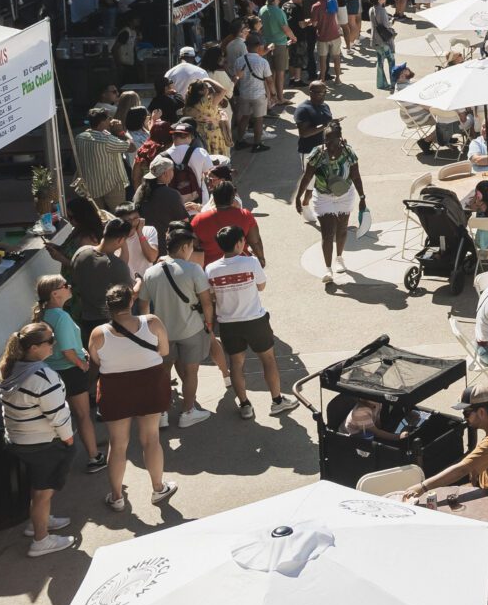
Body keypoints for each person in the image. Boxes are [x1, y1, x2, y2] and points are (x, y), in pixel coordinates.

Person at [87, 286, 175, 511]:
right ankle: (158, 488)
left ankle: (117, 497)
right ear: (131, 301)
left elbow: (95, 361)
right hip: (150, 384)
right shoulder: (152, 322)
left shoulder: (98, 333)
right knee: (151, 438)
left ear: (108, 306)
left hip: (115, 388)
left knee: (117, 444)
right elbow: (164, 351)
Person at [0, 323, 76, 557]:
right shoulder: (44, 376)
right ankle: (41, 540)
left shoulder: (7, 368)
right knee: (44, 491)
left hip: (18, 440)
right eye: (50, 340)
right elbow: (58, 415)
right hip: (44, 444)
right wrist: (69, 440)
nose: (54, 344)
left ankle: (38, 523)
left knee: (38, 486)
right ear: (33, 348)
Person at [205, 226, 299, 419]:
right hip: (255, 320)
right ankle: (277, 401)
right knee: (268, 360)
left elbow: (212, 295)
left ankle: (245, 405)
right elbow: (261, 286)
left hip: (228, 324)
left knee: (236, 364)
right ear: (239, 243)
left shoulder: (211, 269)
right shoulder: (251, 262)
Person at [397, 389, 488, 504]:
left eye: (466, 413)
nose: (464, 418)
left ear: (481, 412)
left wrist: (422, 487)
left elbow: (462, 470)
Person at [140, 226, 218, 428]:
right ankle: (188, 412)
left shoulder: (150, 272)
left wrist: (148, 332)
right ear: (185, 247)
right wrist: (209, 324)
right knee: (191, 372)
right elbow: (207, 302)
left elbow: (144, 306)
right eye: (191, 247)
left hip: (162, 333)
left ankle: (163, 413)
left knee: (164, 373)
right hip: (191, 329)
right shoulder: (193, 270)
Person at [32, 272, 102, 473]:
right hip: (69, 371)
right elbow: (67, 351)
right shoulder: (61, 316)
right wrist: (82, 364)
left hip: (50, 371)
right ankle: (94, 457)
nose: (69, 287)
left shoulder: (43, 314)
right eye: (65, 285)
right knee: (82, 415)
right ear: (55, 294)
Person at [294, 124, 367, 289]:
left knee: (342, 230)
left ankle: (339, 258)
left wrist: (362, 197)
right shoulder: (318, 153)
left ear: (339, 138)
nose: (329, 145)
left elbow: (356, 175)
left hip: (345, 195)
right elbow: (307, 176)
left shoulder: (348, 152)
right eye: (326, 140)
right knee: (327, 234)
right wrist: (298, 197)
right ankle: (328, 270)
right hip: (324, 197)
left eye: (332, 141)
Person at [68, 218, 134, 334]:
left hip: (85, 317)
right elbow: (129, 296)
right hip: (110, 324)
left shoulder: (81, 252)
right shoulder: (118, 266)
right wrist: (138, 282)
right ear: (120, 240)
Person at [294, 79, 335, 156]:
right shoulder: (303, 109)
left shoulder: (325, 106)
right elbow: (304, 133)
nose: (324, 95)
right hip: (309, 151)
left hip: (325, 149)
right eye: (320, 93)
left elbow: (329, 123)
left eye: (325, 92)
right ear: (311, 93)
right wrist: (325, 126)